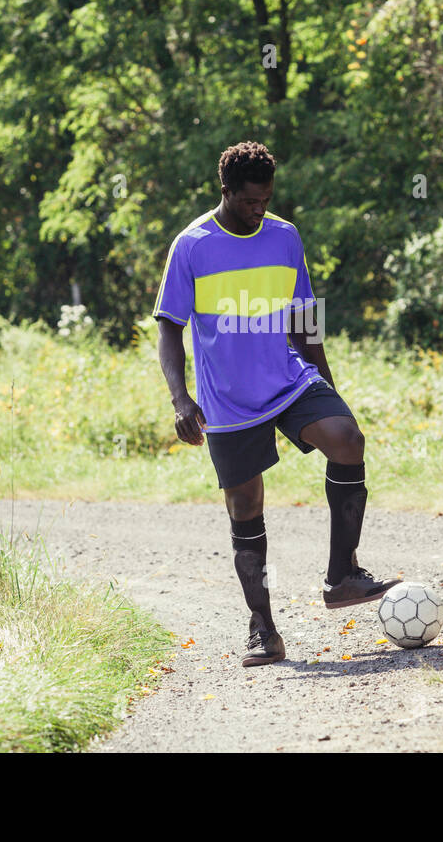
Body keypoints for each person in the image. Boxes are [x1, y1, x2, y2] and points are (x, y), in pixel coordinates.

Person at [152, 140, 399, 667]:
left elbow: (305, 316)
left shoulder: (285, 237)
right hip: (229, 402)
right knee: (246, 510)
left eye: (265, 200)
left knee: (348, 440)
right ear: (226, 190)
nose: (258, 210)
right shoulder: (192, 245)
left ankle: (342, 575)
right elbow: (169, 328)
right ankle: (263, 628)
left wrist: (329, 386)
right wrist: (180, 400)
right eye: (249, 202)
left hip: (288, 379)